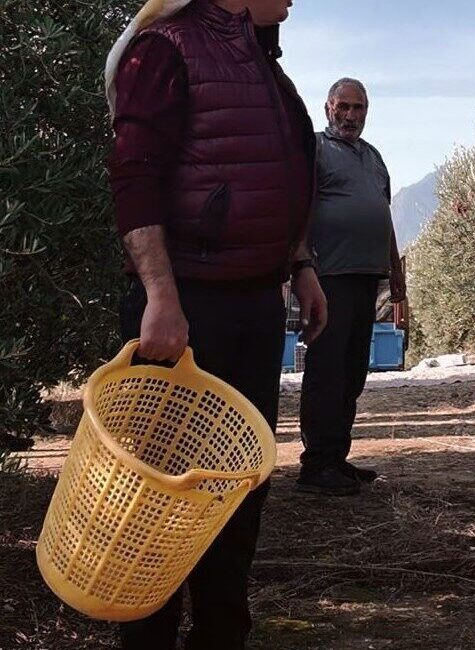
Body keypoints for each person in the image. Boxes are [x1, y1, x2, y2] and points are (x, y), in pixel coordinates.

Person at [106, 0, 326, 646]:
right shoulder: (167, 48)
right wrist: (159, 295)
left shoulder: (264, 63)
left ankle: (222, 634)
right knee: (159, 504)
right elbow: (134, 175)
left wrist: (301, 263)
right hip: (183, 313)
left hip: (252, 311)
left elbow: (283, 168)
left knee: (237, 495)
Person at [295, 78, 406, 496]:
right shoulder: (314, 149)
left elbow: (384, 215)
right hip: (328, 278)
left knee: (353, 371)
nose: (350, 115)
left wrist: (396, 272)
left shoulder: (373, 158)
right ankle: (316, 465)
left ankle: (335, 458)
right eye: (343, 106)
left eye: (358, 108)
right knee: (326, 369)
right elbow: (300, 208)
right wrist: (300, 263)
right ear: (327, 108)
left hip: (367, 277)